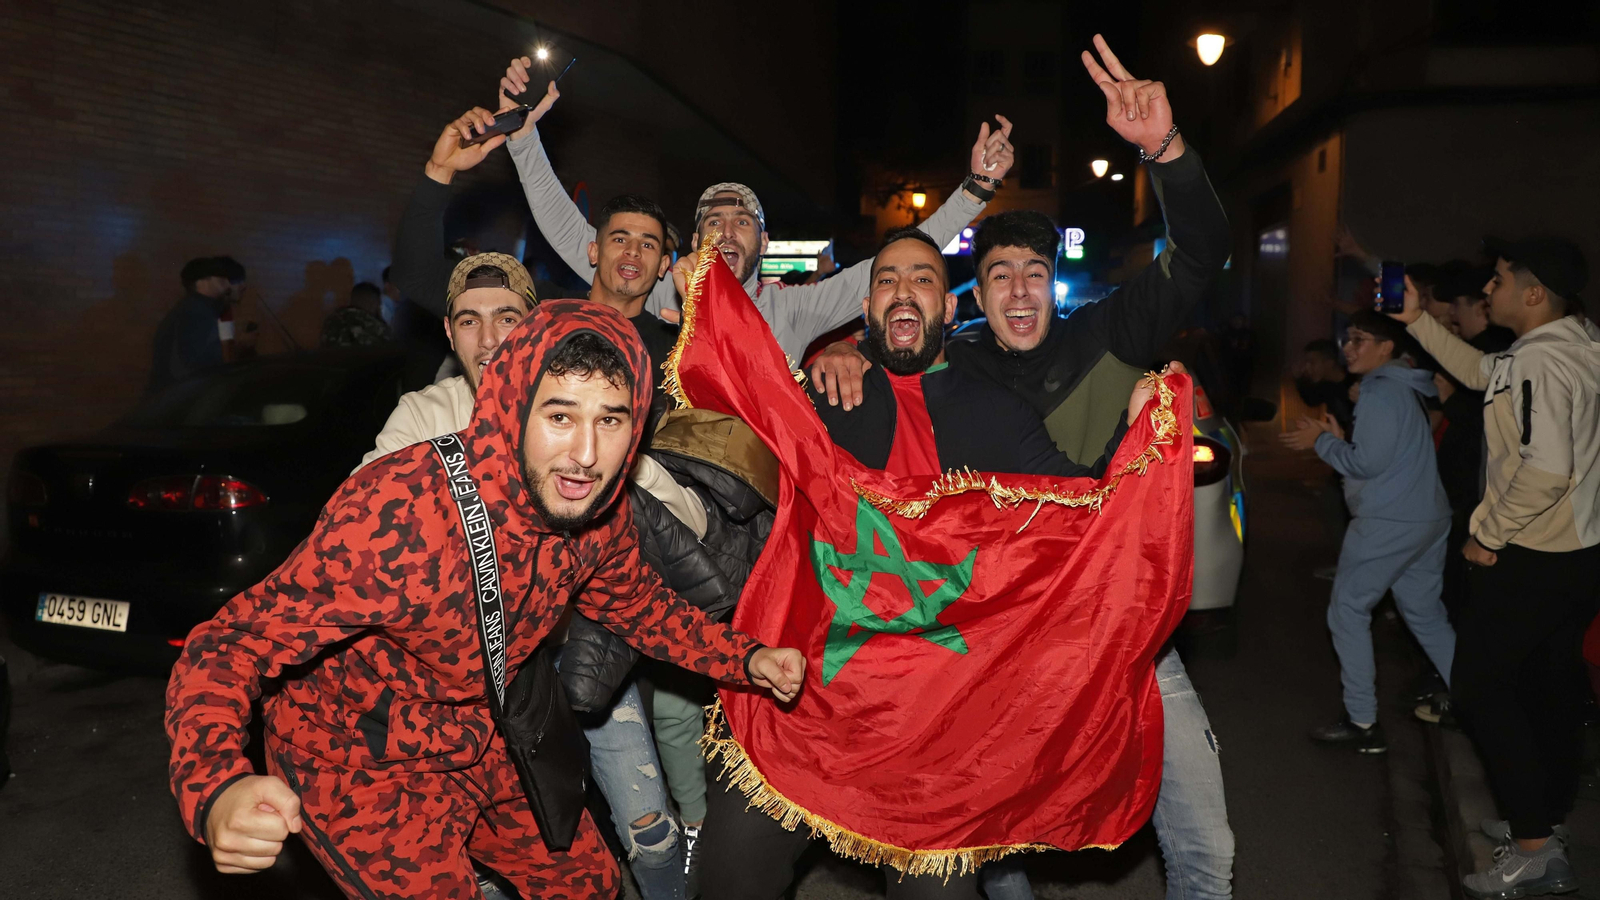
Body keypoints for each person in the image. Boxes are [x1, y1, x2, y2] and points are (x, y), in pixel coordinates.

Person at [165, 299, 806, 899]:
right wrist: (216, 786)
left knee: (590, 883)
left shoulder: (597, 513)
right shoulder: (401, 515)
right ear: (511, 407)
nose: (586, 455)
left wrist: (743, 660)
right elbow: (229, 645)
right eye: (560, 416)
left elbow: (639, 606)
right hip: (357, 760)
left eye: (609, 421)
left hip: (478, 728)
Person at [809, 35, 1235, 900]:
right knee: (993, 843)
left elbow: (1199, 256)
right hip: (999, 632)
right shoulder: (954, 363)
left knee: (1204, 840)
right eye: (996, 273)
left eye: (1032, 273)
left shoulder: (1109, 334)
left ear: (1052, 284)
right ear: (975, 293)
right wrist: (843, 351)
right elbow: (895, 332)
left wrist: (1167, 151)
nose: (1014, 290)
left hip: (1117, 616)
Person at [699, 228, 1167, 900]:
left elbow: (1085, 514)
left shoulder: (996, 412)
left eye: (923, 278)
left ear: (950, 311)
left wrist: (1143, 431)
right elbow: (727, 402)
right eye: (887, 279)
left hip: (936, 721)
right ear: (867, 308)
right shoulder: (822, 394)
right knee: (730, 873)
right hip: (808, 693)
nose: (903, 290)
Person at [372, 111, 709, 900]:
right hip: (467, 679)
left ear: (536, 332)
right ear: (450, 331)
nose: (489, 339)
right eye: (469, 321)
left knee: (649, 832)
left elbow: (674, 505)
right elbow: (366, 508)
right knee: (498, 859)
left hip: (580, 655)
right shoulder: (426, 415)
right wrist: (437, 177)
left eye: (507, 320)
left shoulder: (569, 412)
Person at [496, 56, 1013, 366]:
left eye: (742, 222)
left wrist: (975, 191)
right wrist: (523, 140)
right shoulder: (656, 296)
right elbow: (569, 231)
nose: (727, 231)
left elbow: (896, 264)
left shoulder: (794, 311)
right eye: (713, 223)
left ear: (762, 244)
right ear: (697, 243)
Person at [1389, 237, 1600, 899]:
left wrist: (1487, 532)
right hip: (1578, 552)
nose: (1488, 292)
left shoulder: (1542, 362)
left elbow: (1546, 469)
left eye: (1501, 282)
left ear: (1534, 294)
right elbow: (1486, 376)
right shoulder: (1571, 343)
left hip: (1534, 552)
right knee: (1549, 686)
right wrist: (1419, 321)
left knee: (1479, 687)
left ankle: (1536, 851)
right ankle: (1545, 820)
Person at [1280, 310, 1454, 753]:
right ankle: (1474, 699)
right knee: (1425, 614)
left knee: (1348, 612)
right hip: (1426, 517)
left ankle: (1362, 722)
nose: (1350, 348)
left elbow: (1368, 464)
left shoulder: (1379, 391)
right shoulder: (1405, 387)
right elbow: (1380, 458)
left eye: (1361, 340)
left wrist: (1321, 442)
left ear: (1387, 349)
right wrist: (1339, 440)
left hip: (1390, 522)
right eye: (1349, 339)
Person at [148, 256, 246, 391]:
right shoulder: (196, 311)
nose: (228, 285)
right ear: (202, 282)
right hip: (181, 398)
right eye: (221, 279)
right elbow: (205, 363)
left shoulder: (197, 308)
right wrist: (241, 346)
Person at [320, 281, 393, 347]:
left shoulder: (331, 321)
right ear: (373, 303)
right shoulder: (373, 327)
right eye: (378, 304)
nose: (379, 307)